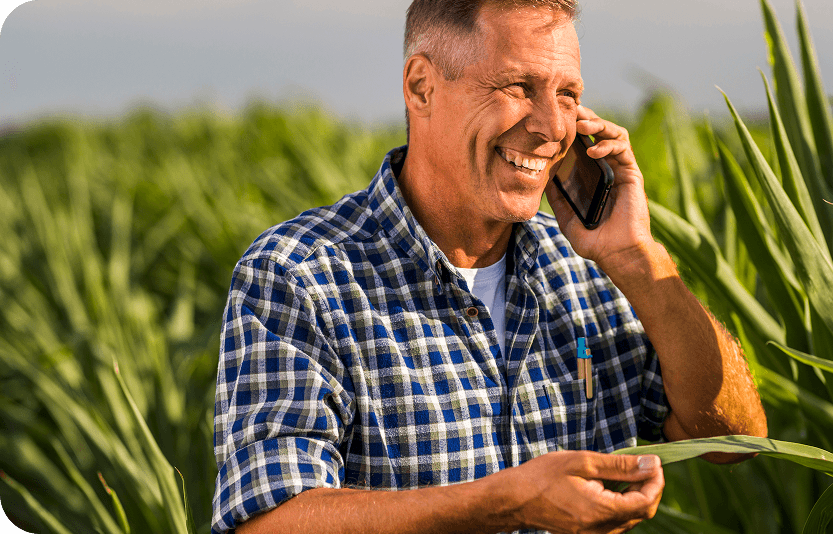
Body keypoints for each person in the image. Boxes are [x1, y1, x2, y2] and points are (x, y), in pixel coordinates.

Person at [211, 0, 767, 532]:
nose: (553, 127)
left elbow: (733, 439)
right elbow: (268, 520)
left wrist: (638, 259)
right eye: (518, 87)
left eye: (568, 94)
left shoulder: (591, 271)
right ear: (421, 86)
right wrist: (507, 503)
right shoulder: (299, 277)